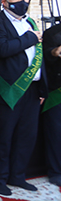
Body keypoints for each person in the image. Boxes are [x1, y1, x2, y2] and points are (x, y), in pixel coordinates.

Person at [0, 0, 46, 195]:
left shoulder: (30, 22)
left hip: (32, 90)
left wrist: (42, 88)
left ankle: (18, 176)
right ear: (5, 2)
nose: (23, 2)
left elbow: (39, 57)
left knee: (26, 136)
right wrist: (30, 37)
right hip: (9, 91)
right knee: (3, 136)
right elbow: (2, 49)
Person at [42, 23, 61, 187]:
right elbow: (45, 57)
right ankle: (56, 171)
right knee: (55, 134)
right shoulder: (52, 33)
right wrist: (54, 52)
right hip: (56, 93)